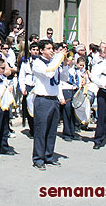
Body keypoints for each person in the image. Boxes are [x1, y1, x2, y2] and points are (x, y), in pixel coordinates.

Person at [31, 40, 65, 170]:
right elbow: (49, 73)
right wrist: (58, 58)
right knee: (41, 130)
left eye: (52, 48)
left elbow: (58, 81)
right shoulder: (38, 63)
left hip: (54, 98)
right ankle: (38, 159)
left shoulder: (53, 63)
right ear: (41, 51)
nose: (52, 51)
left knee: (52, 130)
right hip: (43, 99)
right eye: (49, 48)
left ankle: (48, 156)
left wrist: (60, 97)